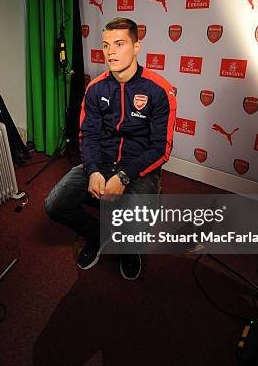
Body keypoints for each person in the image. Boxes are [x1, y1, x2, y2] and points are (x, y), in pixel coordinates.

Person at [44, 17, 177, 280]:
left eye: (119, 44)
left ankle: (129, 250)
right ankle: (99, 235)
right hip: (101, 162)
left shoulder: (160, 90)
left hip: (137, 168)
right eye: (106, 45)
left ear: (137, 46)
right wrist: (93, 170)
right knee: (54, 204)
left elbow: (161, 148)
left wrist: (123, 176)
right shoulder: (95, 88)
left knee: (138, 225)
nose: (111, 52)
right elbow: (89, 134)